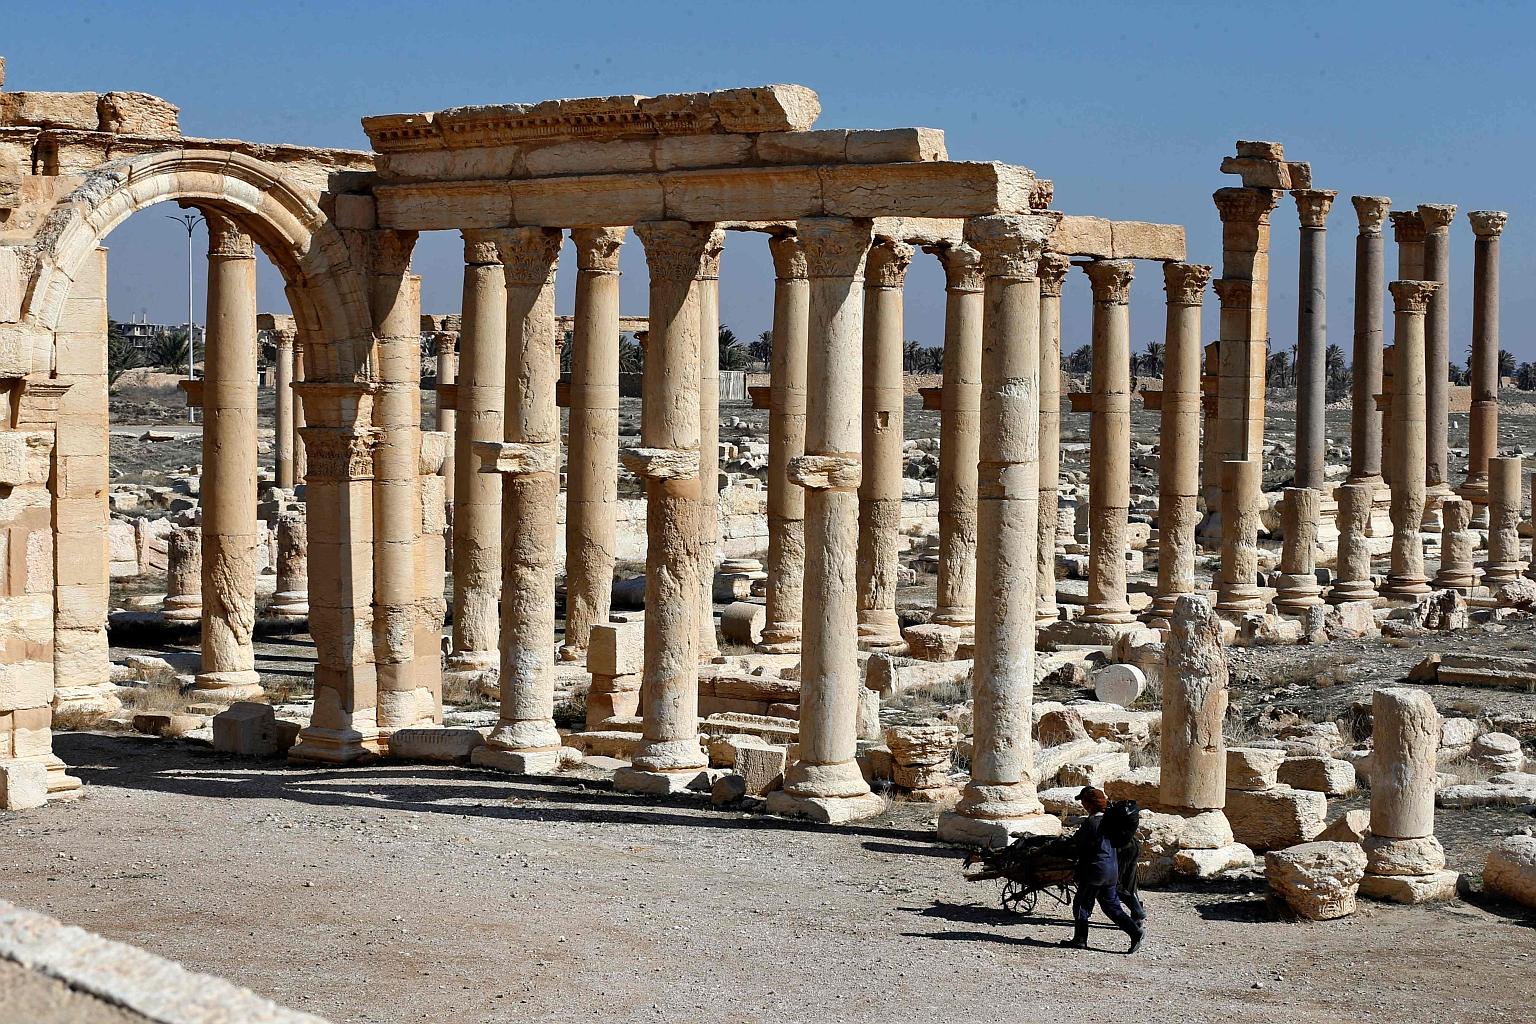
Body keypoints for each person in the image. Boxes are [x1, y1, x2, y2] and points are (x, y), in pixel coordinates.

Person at [1060, 786, 1144, 953]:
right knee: (1112, 907)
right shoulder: (1110, 820)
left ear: (1091, 804)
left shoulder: (1092, 822)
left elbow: (1077, 843)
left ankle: (1080, 940)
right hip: (1111, 870)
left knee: (1081, 905)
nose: (1083, 805)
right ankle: (1135, 932)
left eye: (1084, 802)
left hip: (1095, 871)